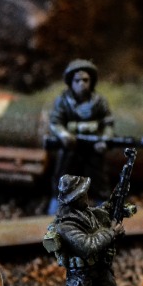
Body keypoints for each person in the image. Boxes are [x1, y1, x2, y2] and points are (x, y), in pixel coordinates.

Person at [47, 59, 114, 211]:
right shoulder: (63, 101)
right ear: (71, 82)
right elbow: (55, 122)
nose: (81, 84)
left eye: (85, 80)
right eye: (77, 80)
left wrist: (104, 140)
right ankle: (56, 205)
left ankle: (104, 207)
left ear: (92, 81)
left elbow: (108, 123)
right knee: (63, 175)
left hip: (93, 146)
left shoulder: (99, 101)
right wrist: (64, 135)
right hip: (71, 145)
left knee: (99, 177)